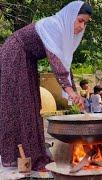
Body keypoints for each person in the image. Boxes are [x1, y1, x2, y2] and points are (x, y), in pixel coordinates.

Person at [0, 1, 92, 170]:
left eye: (85, 23)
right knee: (19, 107)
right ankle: (16, 156)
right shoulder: (54, 26)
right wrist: (71, 93)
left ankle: (33, 154)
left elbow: (65, 65)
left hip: (27, 60)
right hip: (14, 54)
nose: (82, 26)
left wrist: (75, 93)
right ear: (70, 16)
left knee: (32, 107)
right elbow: (56, 63)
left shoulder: (63, 34)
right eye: (80, 20)